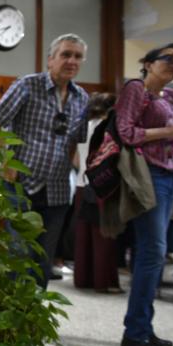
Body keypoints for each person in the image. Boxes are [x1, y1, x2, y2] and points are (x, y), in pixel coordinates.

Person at [0, 33, 90, 289]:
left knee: (43, 262)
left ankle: (31, 321)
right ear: (50, 59)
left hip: (56, 191)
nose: (72, 61)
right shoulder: (27, 86)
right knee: (18, 256)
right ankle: (11, 323)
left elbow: (75, 142)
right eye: (65, 54)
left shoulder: (82, 98)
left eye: (77, 56)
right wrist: (5, 163)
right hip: (19, 186)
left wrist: (77, 172)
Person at [115, 43, 173, 346]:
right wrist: (167, 130)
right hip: (147, 176)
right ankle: (135, 335)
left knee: (151, 254)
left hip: (168, 178)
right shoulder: (136, 89)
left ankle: (144, 328)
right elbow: (125, 132)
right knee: (152, 253)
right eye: (169, 58)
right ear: (149, 63)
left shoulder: (169, 97)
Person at [73, 92, 122, 294]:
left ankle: (83, 279)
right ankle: (103, 281)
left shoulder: (83, 126)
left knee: (82, 238)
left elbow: (76, 160)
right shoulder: (108, 129)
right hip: (102, 186)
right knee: (104, 237)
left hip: (81, 184)